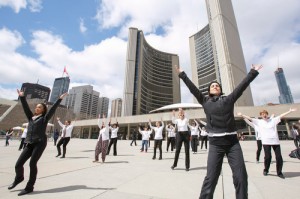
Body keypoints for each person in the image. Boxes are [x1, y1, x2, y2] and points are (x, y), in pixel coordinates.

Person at [175, 64, 263, 199]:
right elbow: (193, 89)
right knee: (211, 178)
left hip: (233, 143)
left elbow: (242, 87)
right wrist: (183, 75)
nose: (215, 86)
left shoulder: (229, 99)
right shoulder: (204, 101)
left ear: (220, 90)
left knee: (241, 177)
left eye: (217, 85)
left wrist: (253, 72)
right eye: (212, 86)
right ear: (209, 91)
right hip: (216, 144)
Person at [8, 89, 67, 196]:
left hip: (40, 143)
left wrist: (59, 99)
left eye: (40, 107)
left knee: (32, 163)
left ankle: (29, 187)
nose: (37, 108)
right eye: (37, 107)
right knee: (18, 164)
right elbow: (25, 107)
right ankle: (19, 178)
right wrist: (22, 96)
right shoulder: (31, 117)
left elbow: (52, 109)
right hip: (29, 143)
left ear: (43, 110)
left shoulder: (44, 118)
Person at [239, 108, 297, 179]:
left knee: (279, 157)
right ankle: (266, 169)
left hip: (275, 142)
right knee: (268, 157)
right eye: (262, 114)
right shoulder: (259, 122)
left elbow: (281, 115)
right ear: (261, 115)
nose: (264, 115)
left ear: (267, 114)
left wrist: (289, 111)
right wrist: (242, 115)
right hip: (266, 142)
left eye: (265, 114)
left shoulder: (273, 120)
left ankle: (279, 172)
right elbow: (250, 119)